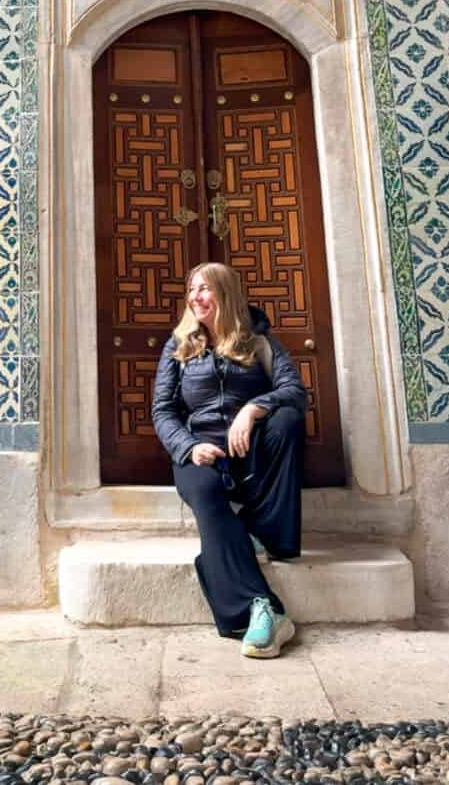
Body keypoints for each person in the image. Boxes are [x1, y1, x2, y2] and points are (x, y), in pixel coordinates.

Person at [152, 261, 307, 658]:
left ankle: (261, 533)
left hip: (249, 451)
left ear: (225, 294)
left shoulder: (259, 343)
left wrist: (254, 407)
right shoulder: (179, 346)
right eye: (191, 289)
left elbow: (294, 392)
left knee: (287, 419)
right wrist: (188, 447)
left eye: (204, 289)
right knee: (206, 497)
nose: (194, 297)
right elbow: (162, 410)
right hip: (201, 453)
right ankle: (261, 609)